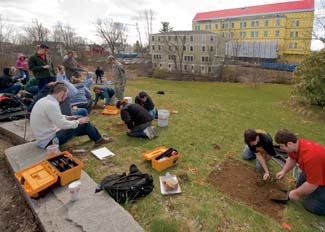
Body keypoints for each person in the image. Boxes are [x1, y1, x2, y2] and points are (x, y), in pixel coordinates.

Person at [30, 81, 112, 148]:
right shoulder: (52, 105)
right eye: (66, 95)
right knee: (83, 123)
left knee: (79, 119)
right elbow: (63, 125)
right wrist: (78, 122)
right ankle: (98, 139)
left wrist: (69, 117)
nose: (66, 97)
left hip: (43, 138)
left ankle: (95, 135)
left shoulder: (44, 100)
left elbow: (55, 117)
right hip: (50, 141)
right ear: (62, 93)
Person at [275, 128, 325, 216]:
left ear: (289, 143)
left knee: (310, 206)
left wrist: (296, 193)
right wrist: (283, 171)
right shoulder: (296, 146)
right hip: (315, 172)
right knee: (299, 189)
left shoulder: (311, 156)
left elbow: (312, 184)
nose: (281, 148)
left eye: (282, 146)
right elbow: (292, 158)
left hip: (319, 175)